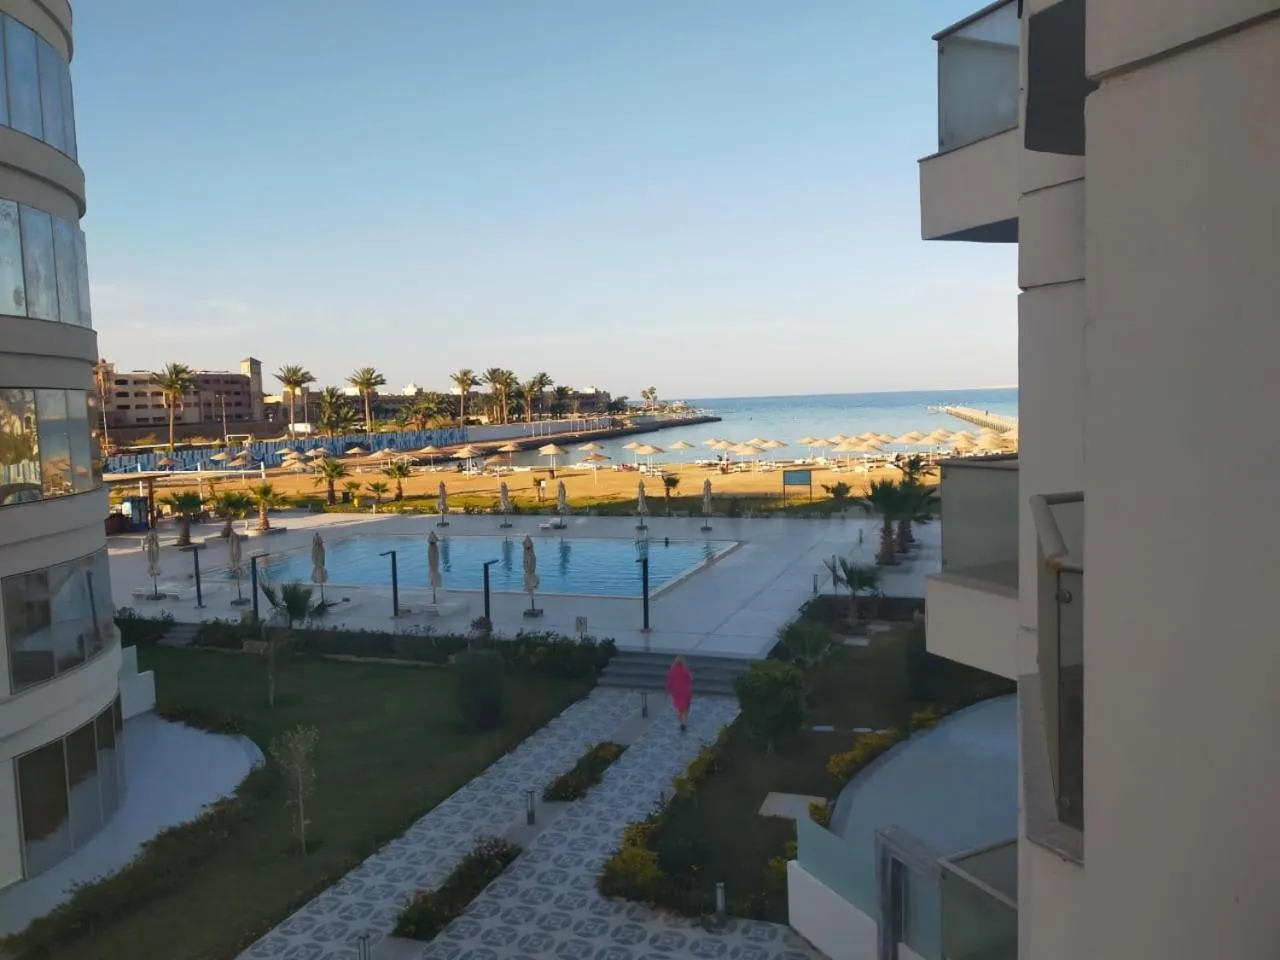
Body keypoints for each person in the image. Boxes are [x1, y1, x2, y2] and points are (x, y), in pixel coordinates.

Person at [666, 655, 693, 733]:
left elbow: (669, 682)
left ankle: (681, 723)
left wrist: (668, 690)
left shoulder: (672, 671)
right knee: (686, 708)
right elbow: (690, 678)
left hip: (677, 692)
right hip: (685, 691)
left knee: (680, 708)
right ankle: (685, 722)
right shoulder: (685, 670)